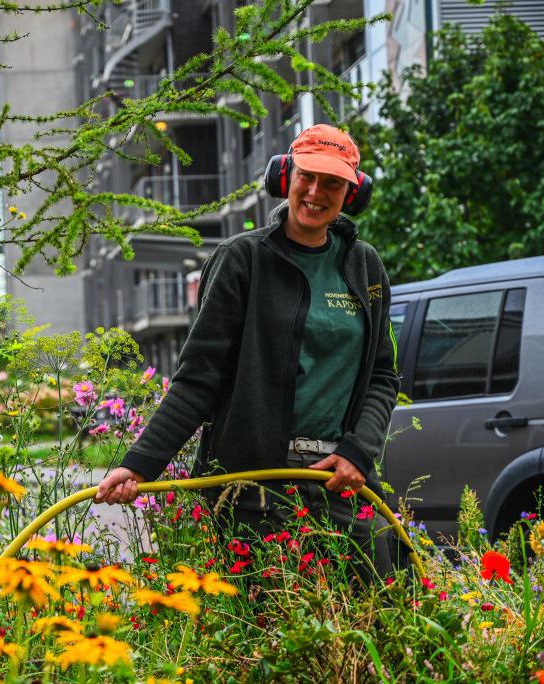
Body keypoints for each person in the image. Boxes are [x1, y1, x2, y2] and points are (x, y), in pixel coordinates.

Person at [93, 124, 400, 579]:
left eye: (332, 182)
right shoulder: (243, 259)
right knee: (260, 631)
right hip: (254, 490)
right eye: (307, 177)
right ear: (285, 176)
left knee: (373, 613)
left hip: (338, 480)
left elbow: (382, 376)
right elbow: (199, 378)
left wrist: (359, 451)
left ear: (352, 194)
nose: (316, 192)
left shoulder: (363, 265)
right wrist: (139, 464)